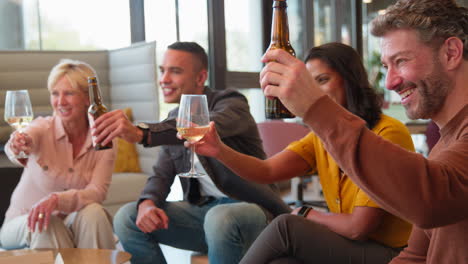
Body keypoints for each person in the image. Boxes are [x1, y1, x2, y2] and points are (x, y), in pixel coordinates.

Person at [258, 0, 468, 263]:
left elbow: (431, 202)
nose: (390, 82)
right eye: (386, 66)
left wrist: (315, 107)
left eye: (401, 61)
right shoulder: (444, 144)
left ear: (450, 53)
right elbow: (415, 255)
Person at [188, 42, 414, 264]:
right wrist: (219, 150)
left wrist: (306, 213)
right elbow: (267, 170)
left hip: (390, 253)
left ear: (351, 82)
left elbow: (358, 228)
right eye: (309, 83)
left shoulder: (386, 132)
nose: (312, 91)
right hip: (351, 245)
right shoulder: (321, 136)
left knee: (287, 226)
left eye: (322, 80)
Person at [93, 42, 290, 264]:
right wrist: (147, 203)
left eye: (175, 71)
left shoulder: (232, 104)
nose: (164, 79)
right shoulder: (174, 120)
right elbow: (161, 175)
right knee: (127, 217)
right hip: (203, 215)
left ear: (200, 77)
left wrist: (141, 132)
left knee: (219, 217)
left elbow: (202, 125)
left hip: (254, 213)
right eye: (162, 70)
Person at [0, 59, 115, 249]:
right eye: (55, 93)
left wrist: (56, 201)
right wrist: (18, 144)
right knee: (46, 223)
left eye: (69, 93)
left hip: (69, 221)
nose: (60, 102)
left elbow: (97, 192)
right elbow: (21, 141)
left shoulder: (104, 137)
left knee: (94, 212)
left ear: (88, 97)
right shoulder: (42, 127)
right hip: (22, 222)